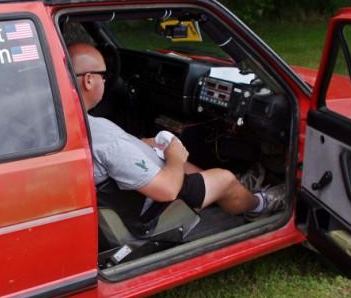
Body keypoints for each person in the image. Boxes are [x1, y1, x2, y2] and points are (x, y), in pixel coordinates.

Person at [69, 42, 284, 217]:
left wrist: (143, 144)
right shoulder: (108, 142)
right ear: (89, 80)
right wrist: (175, 158)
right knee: (224, 177)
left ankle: (235, 191)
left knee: (169, 154)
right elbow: (168, 190)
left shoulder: (70, 119)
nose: (105, 81)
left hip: (133, 184)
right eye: (103, 76)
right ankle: (258, 205)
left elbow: (113, 153)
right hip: (150, 201)